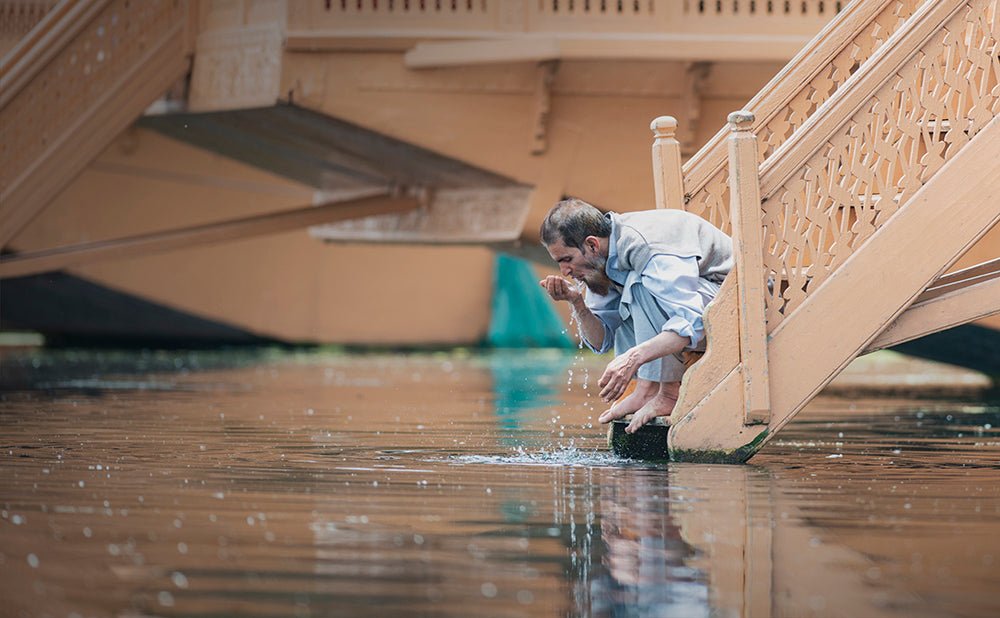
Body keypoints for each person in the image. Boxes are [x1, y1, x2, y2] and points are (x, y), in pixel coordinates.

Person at [538, 198, 732, 434]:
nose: (565, 272)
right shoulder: (602, 261)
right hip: (704, 304)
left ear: (591, 245)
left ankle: (668, 392)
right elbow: (602, 341)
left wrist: (634, 358)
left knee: (636, 283)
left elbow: (689, 323)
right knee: (631, 285)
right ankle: (646, 389)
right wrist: (577, 302)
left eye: (567, 260)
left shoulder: (645, 246)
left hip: (739, 301)